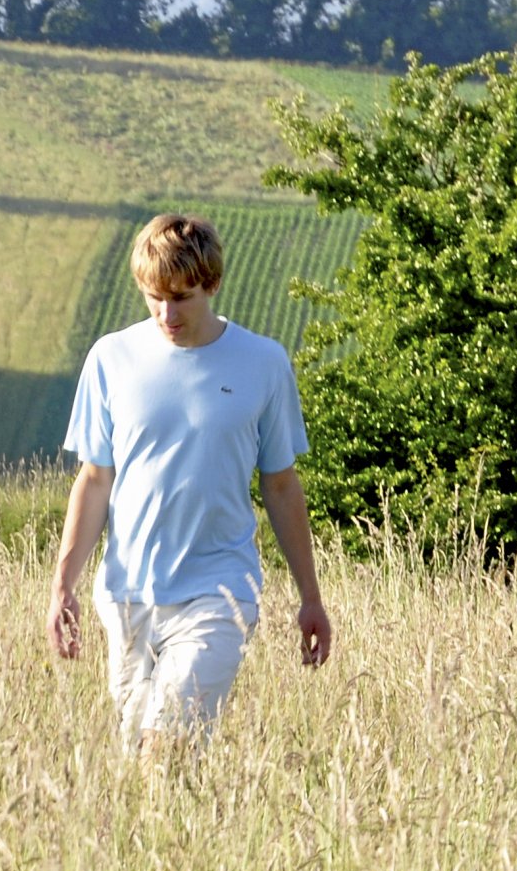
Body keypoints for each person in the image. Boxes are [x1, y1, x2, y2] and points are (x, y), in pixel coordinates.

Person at [46, 212, 331, 754]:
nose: (166, 313)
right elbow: (95, 480)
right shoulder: (111, 358)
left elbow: (281, 487)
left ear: (214, 283)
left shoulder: (264, 364)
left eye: (182, 297)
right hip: (126, 596)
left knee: (169, 742)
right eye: (154, 296)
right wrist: (64, 584)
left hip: (220, 591)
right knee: (142, 757)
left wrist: (310, 597)